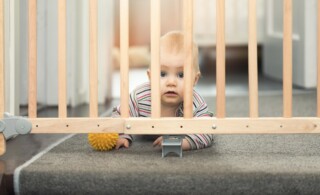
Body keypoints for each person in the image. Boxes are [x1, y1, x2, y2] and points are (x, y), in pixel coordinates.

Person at [113, 31, 214, 150]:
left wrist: (182, 143)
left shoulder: (195, 103)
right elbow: (119, 114)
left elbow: (208, 131)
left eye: (181, 75)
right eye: (163, 73)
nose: (171, 82)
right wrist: (123, 135)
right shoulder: (140, 97)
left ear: (195, 80)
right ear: (150, 77)